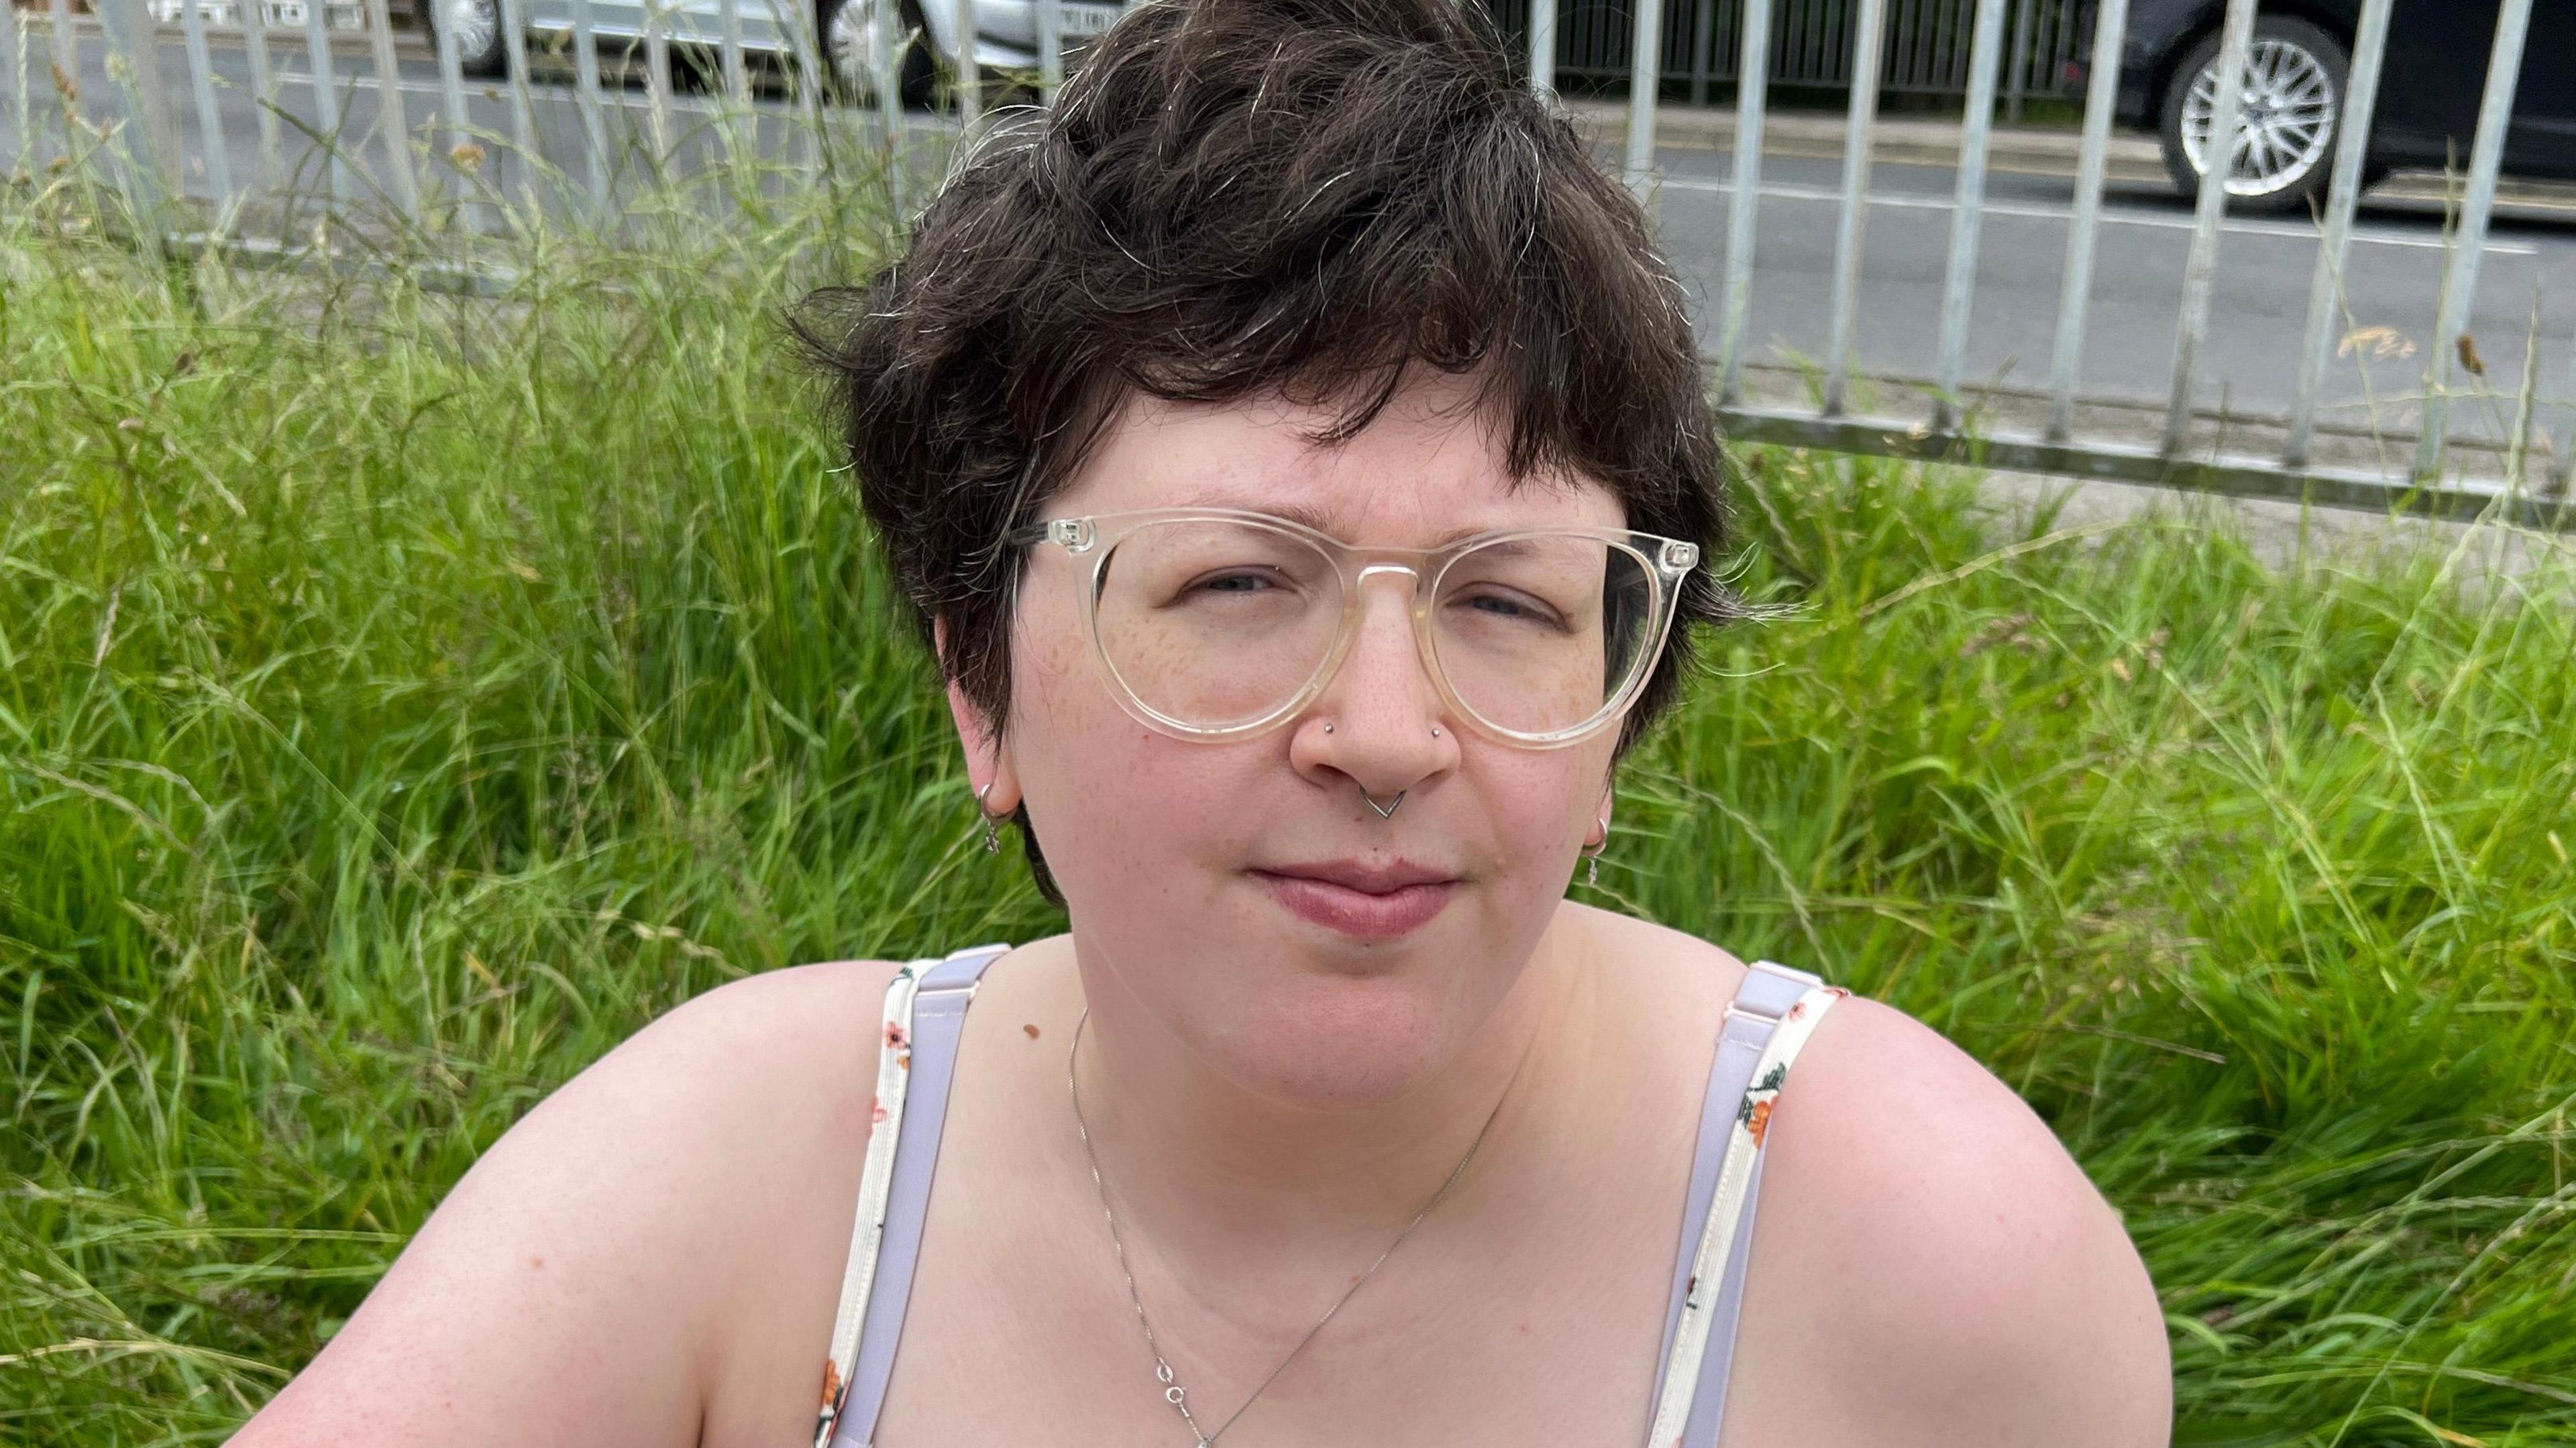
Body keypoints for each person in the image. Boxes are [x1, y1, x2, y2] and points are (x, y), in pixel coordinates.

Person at [228, 1, 2173, 1444]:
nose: (1391, 735)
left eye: (1509, 602)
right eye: (1237, 584)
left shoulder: (1937, 1276)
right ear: (978, 683)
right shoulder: (744, 1183)